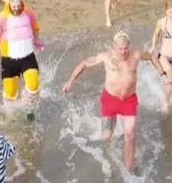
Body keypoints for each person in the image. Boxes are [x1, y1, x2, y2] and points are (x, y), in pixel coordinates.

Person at [61, 32, 156, 173]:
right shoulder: (105, 57)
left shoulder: (135, 55)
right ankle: (110, 147)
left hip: (128, 101)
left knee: (130, 134)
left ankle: (127, 171)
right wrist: (70, 82)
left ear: (129, 46)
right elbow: (84, 64)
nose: (123, 51)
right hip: (110, 101)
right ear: (114, 47)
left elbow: (151, 56)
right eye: (120, 48)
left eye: (125, 48)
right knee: (106, 136)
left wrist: (163, 73)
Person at [0, 0, 44, 105]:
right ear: (9, 6)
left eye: (18, 6)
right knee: (10, 93)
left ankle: (29, 107)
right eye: (14, 7)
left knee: (34, 84)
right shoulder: (1, 18)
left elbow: (35, 27)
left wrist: (36, 41)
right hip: (9, 60)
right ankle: (11, 113)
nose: (16, 9)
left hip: (27, 57)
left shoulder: (28, 14)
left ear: (21, 4)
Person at [149, 1, 172, 112]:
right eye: (170, 12)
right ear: (166, 12)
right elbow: (156, 34)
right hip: (165, 57)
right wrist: (153, 46)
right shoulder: (161, 22)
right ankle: (165, 102)